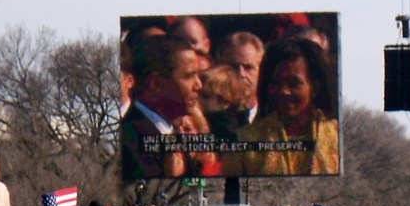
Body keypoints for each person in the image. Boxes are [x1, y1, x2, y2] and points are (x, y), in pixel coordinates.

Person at [222, 36, 339, 176]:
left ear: (314, 88)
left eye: (294, 83)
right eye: (275, 83)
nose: (284, 91)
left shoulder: (337, 135)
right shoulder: (244, 140)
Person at [121, 35, 204, 178]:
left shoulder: (178, 133)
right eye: (189, 76)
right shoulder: (128, 142)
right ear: (156, 83)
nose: (199, 85)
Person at [216, 31, 265, 123]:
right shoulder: (207, 119)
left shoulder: (272, 116)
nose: (241, 74)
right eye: (233, 67)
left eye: (248, 67)